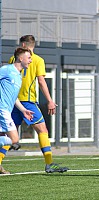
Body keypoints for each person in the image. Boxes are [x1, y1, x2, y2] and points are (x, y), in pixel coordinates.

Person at [6, 35, 69, 173]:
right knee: (43, 130)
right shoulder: (38, 60)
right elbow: (41, 81)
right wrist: (50, 101)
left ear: (23, 45)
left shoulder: (13, 59)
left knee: (9, 135)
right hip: (27, 102)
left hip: (13, 101)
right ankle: (49, 163)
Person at [0, 47, 34, 174]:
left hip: (6, 110)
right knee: (14, 139)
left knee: (3, 138)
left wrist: (24, 110)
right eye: (29, 58)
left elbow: (14, 98)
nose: (30, 60)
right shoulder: (7, 69)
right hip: (2, 110)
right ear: (21, 58)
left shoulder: (19, 76)